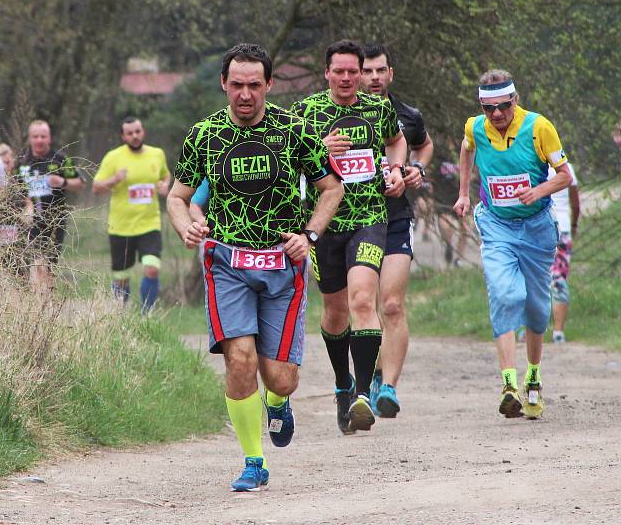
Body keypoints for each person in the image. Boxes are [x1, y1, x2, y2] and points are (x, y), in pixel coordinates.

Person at [167, 43, 343, 492]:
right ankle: (253, 460)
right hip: (227, 263)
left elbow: (331, 190)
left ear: (269, 84)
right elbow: (177, 197)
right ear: (224, 84)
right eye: (236, 85)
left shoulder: (295, 131)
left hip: (283, 263)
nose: (245, 94)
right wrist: (187, 226)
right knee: (239, 357)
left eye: (253, 85)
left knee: (279, 376)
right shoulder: (203, 135)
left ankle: (278, 404)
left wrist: (311, 236)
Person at [291, 40, 406, 435]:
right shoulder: (304, 114)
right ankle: (343, 385)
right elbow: (287, 162)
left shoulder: (378, 108)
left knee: (362, 298)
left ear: (361, 73)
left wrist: (396, 169)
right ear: (326, 73)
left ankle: (361, 395)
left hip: (370, 218)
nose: (345, 78)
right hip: (324, 225)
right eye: (337, 71)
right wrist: (318, 150)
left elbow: (397, 140)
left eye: (352, 72)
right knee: (336, 312)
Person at [453, 69, 572, 420]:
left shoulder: (538, 128)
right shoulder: (475, 127)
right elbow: (466, 149)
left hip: (536, 229)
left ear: (514, 100)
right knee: (507, 295)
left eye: (503, 107)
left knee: (536, 308)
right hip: (496, 225)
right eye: (488, 109)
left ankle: (533, 375)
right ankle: (509, 385)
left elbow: (565, 175)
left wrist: (538, 190)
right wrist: (463, 193)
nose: (496, 115)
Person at [359, 43, 434, 419]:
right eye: (367, 71)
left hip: (396, 218)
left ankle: (388, 387)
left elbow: (424, 146)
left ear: (390, 74)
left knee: (391, 303)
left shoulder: (408, 115)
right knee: (364, 305)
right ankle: (369, 375)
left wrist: (417, 170)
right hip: (354, 222)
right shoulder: (344, 114)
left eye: (380, 71)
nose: (374, 78)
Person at [92, 117, 171, 312]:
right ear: (123, 136)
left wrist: (165, 185)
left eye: (137, 131)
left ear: (143, 131)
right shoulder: (113, 157)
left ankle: (147, 314)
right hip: (121, 226)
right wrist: (115, 179)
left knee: (152, 268)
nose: (135, 136)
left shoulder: (157, 154)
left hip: (149, 223)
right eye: (130, 133)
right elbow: (96, 187)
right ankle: (120, 315)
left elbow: (165, 175)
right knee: (121, 277)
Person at [17, 119, 85, 295]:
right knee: (35, 261)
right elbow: (14, 187)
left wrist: (62, 181)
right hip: (30, 221)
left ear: (49, 138)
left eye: (43, 136)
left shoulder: (60, 159)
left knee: (48, 264)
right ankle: (34, 296)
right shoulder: (22, 160)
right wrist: (25, 203)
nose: (39, 140)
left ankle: (46, 297)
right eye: (35, 136)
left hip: (55, 220)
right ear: (30, 138)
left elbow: (79, 183)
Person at [549, 163, 580, 344]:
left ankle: (529, 330)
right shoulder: (567, 167)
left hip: (539, 231)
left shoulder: (531, 164)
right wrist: (574, 224)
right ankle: (558, 332)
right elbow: (575, 204)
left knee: (534, 279)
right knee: (559, 279)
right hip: (563, 229)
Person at [0, 143, 34, 275]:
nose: (7, 165)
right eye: (3, 162)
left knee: (19, 269)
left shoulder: (19, 181)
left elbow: (30, 202)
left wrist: (28, 213)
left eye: (9, 161)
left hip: (19, 232)